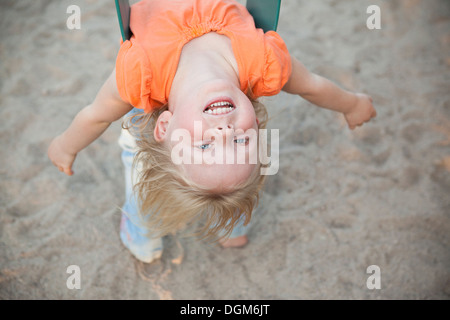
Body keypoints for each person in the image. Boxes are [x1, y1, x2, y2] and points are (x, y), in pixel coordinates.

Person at [48, 0, 376, 263]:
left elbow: (94, 116)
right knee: (236, 180)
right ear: (257, 126)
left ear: (165, 126)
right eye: (240, 140)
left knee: (140, 160)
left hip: (150, 101)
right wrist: (350, 104)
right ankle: (232, 227)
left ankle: (142, 237)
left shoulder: (139, 75)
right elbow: (314, 86)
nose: (223, 131)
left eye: (204, 146)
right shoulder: (264, 64)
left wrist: (65, 145)